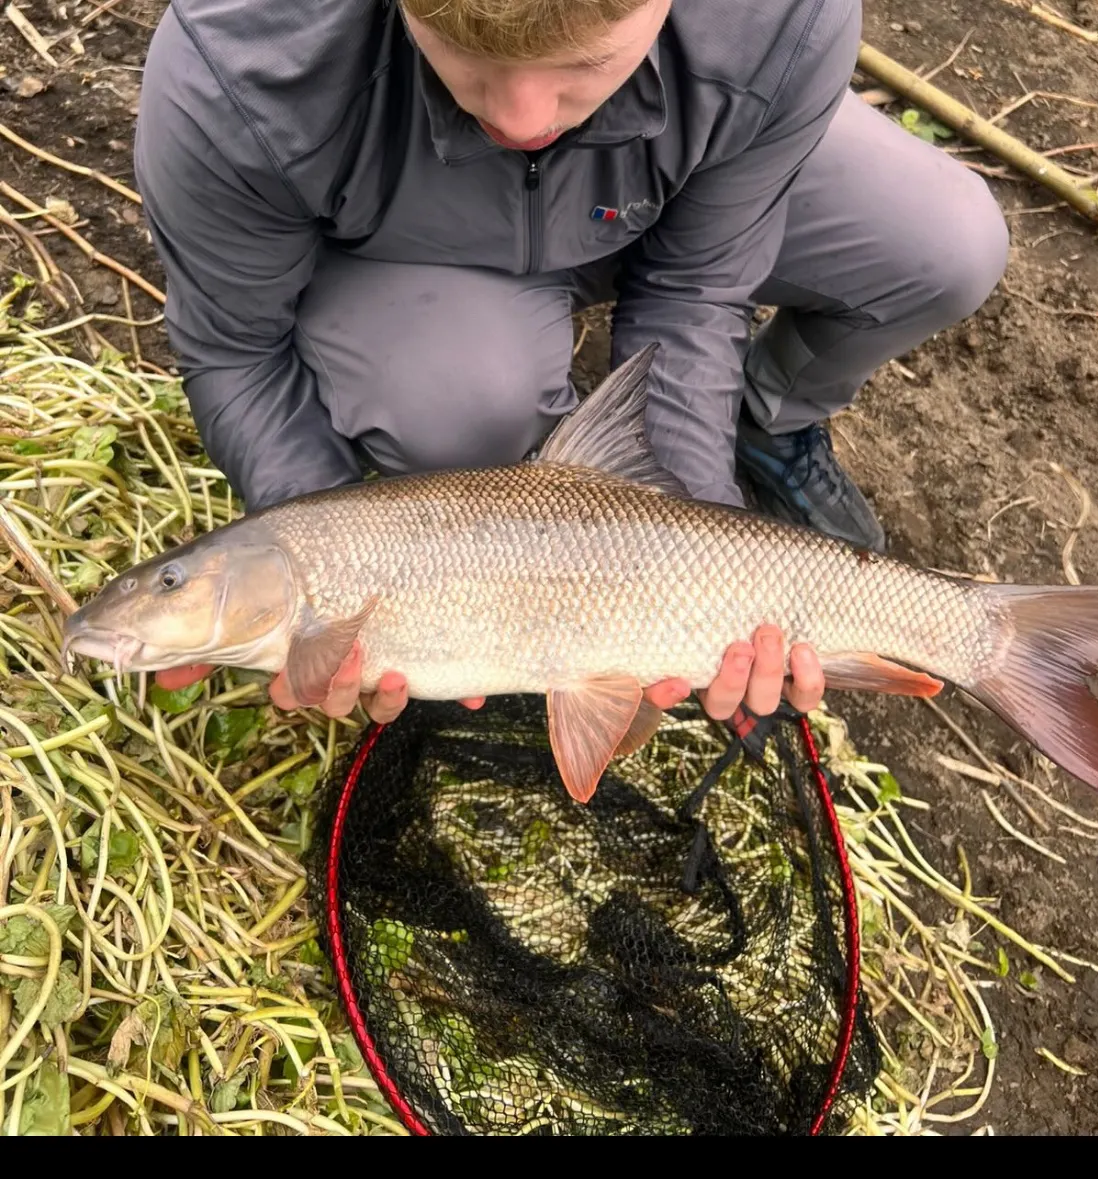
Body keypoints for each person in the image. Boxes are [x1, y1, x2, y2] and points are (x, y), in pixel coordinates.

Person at [133, 0, 1009, 731]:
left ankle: (767, 424)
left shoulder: (780, 16)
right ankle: (505, 400)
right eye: (466, 57)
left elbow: (695, 288)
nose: (520, 118)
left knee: (945, 244)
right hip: (409, 242)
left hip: (648, 186)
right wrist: (318, 543)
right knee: (461, 407)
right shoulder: (235, 60)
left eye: (582, 64)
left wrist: (693, 525)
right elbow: (235, 345)